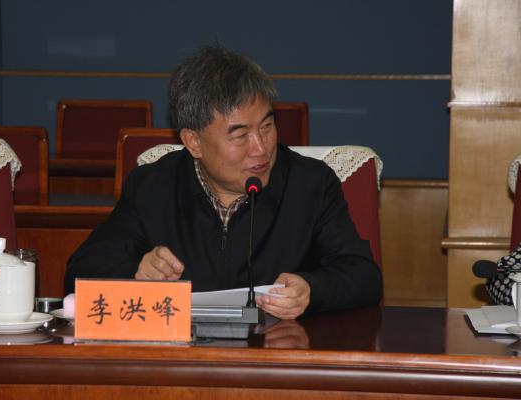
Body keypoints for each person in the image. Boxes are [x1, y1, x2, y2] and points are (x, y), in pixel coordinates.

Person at [64, 44, 382, 319]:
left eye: (267, 126)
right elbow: (81, 270)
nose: (261, 148)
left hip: (276, 355)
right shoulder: (153, 186)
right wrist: (135, 273)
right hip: (184, 359)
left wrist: (312, 289)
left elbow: (364, 276)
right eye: (240, 135)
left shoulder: (310, 184)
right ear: (193, 142)